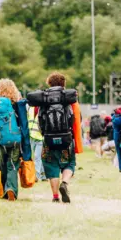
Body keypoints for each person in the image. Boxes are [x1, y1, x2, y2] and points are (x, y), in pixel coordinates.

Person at [39, 72, 77, 203]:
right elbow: (72, 118)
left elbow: (40, 120)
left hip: (48, 139)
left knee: (51, 165)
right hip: (66, 138)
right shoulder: (67, 99)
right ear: (63, 84)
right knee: (70, 163)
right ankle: (65, 183)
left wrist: (44, 132)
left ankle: (55, 197)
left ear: (49, 83)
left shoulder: (44, 99)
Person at [0, 79, 22, 201]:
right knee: (12, 165)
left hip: (0, 140)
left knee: (2, 165)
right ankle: (11, 188)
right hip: (15, 139)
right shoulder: (18, 104)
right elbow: (23, 123)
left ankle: (4, 191)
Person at [28, 106, 46, 181]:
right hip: (31, 135)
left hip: (40, 137)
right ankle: (43, 175)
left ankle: (37, 176)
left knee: (37, 156)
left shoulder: (43, 108)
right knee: (38, 157)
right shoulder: (30, 108)